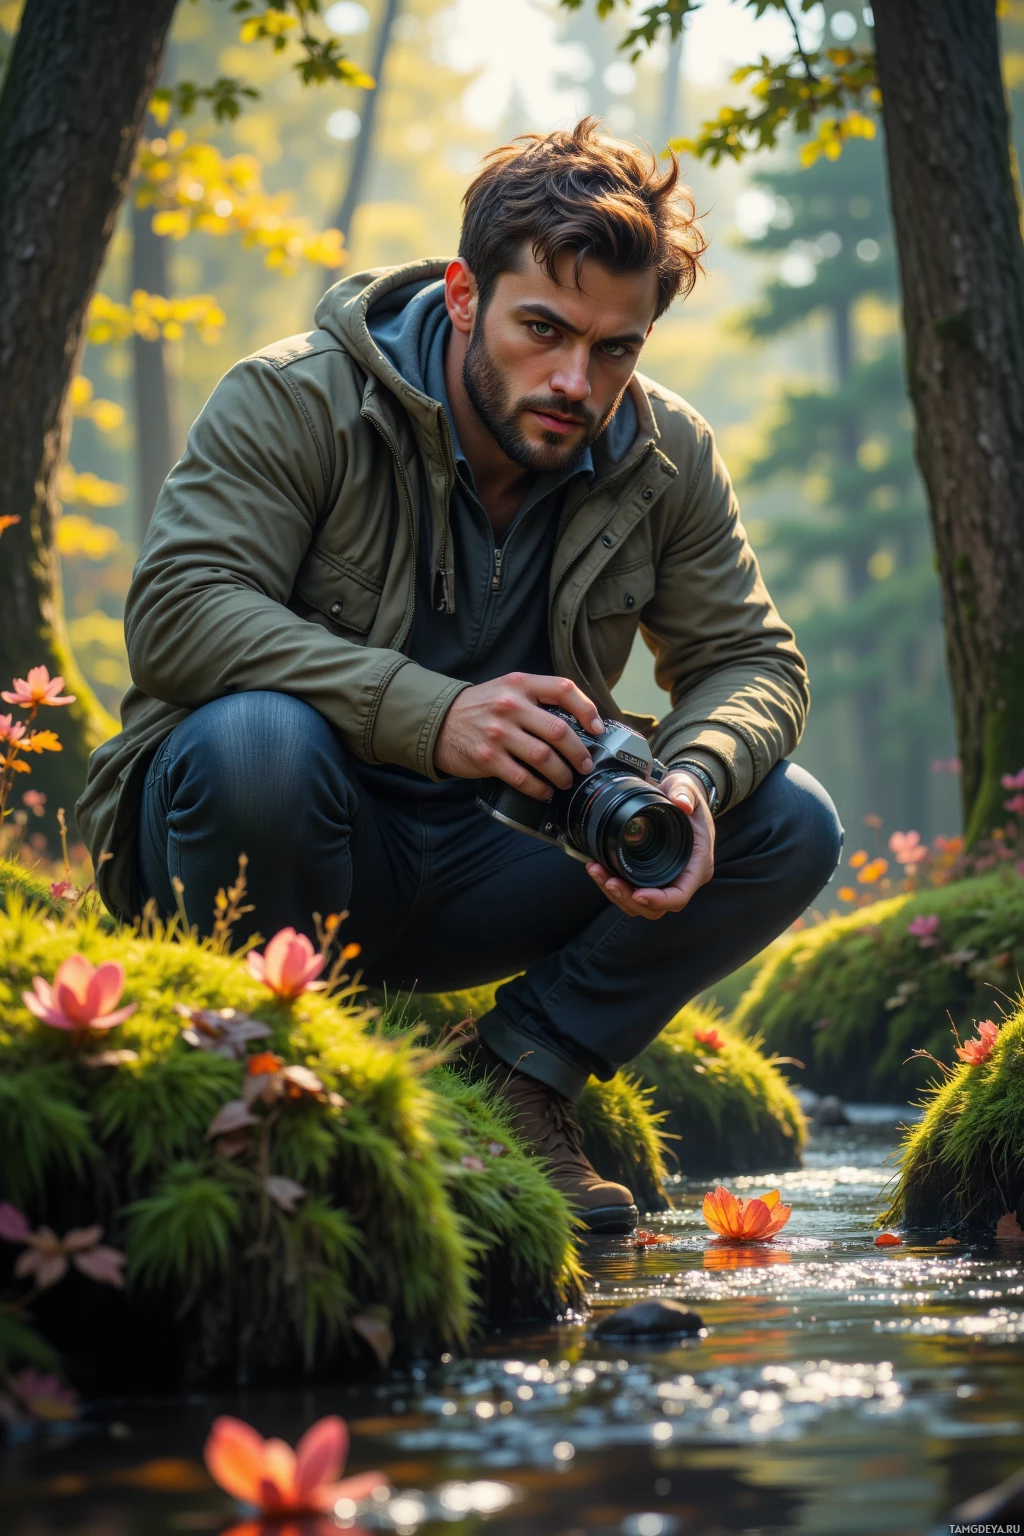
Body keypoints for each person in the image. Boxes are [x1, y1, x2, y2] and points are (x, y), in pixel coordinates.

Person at [78, 118, 842, 1235]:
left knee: (786, 819)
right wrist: (428, 715)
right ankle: (286, 1094)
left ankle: (521, 1079)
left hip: (493, 863)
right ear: (463, 293)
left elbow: (749, 660)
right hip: (265, 834)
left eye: (616, 348)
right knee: (254, 743)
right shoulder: (294, 399)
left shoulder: (663, 454)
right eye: (544, 329)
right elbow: (179, 613)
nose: (576, 380)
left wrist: (690, 779)